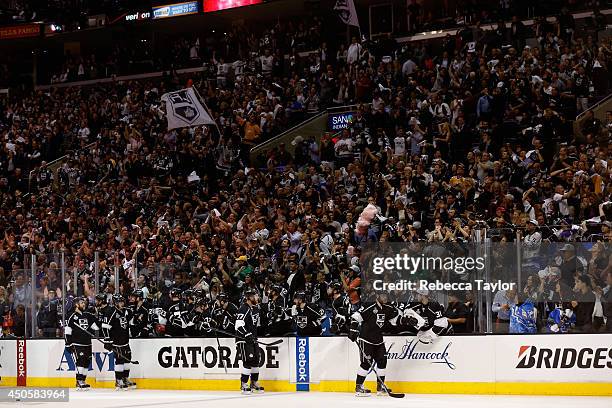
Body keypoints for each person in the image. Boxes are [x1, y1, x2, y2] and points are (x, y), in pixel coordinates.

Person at [348, 291, 423, 396]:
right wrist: (353, 330)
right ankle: (359, 387)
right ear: (377, 296)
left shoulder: (388, 307)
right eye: (383, 296)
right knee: (366, 363)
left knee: (382, 361)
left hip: (378, 339)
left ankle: (380, 387)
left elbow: (395, 321)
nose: (386, 298)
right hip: (366, 339)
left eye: (386, 295)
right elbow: (356, 316)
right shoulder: (369, 305)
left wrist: (406, 321)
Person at [65, 296, 100, 390]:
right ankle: (79, 380)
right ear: (76, 304)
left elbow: (95, 327)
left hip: (87, 343)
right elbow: (67, 331)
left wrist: (97, 319)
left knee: (86, 361)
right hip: (77, 343)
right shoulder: (71, 316)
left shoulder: (87, 315)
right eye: (81, 303)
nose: (84, 304)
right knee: (80, 360)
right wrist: (68, 344)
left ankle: (83, 380)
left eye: (84, 303)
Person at [103, 294, 136, 390]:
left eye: (122, 301)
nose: (121, 303)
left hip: (125, 340)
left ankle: (125, 378)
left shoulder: (126, 311)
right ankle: (118, 380)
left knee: (127, 359)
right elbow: (105, 327)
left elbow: (131, 322)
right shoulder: (110, 311)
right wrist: (107, 340)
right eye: (119, 302)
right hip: (116, 341)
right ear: (115, 303)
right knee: (119, 360)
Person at [235, 288, 264, 394]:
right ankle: (243, 384)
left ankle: (254, 382)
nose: (257, 298)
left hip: (253, 339)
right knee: (248, 361)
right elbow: (238, 325)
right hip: (243, 340)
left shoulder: (255, 309)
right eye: (255, 296)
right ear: (249, 298)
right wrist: (247, 334)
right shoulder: (244, 308)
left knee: (256, 361)